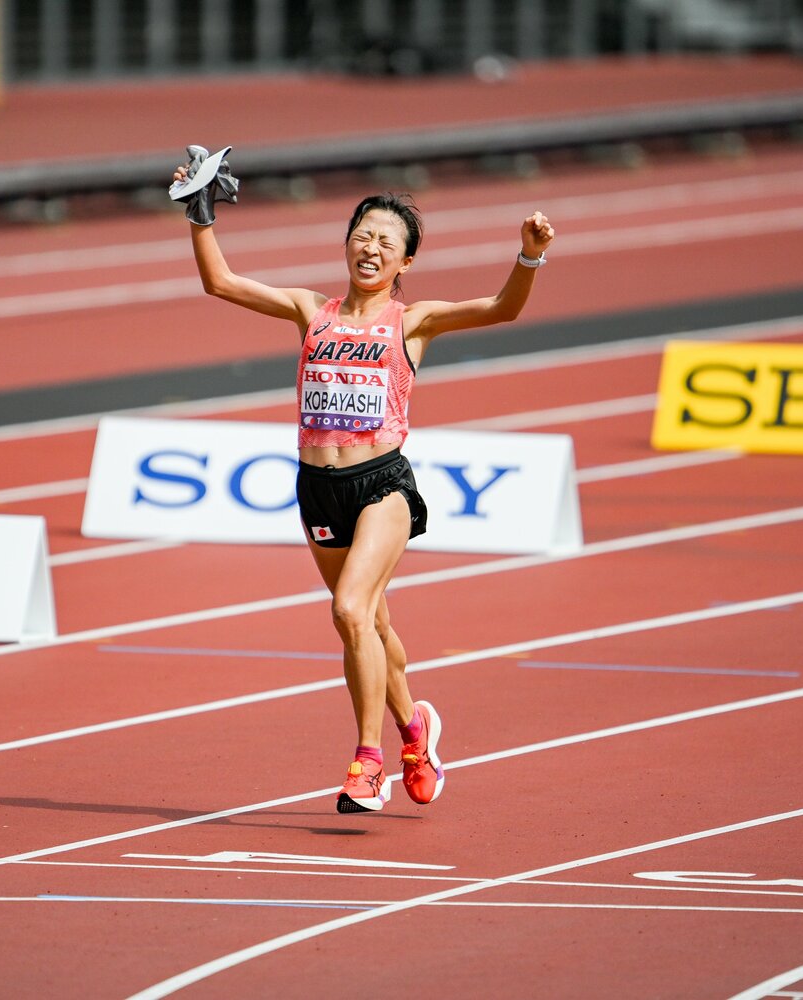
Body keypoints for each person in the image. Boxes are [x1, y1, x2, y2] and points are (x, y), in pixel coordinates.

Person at [172, 147, 555, 813]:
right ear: (346, 246)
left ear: (406, 262)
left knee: (348, 609)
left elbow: (501, 309)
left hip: (383, 487)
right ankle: (417, 731)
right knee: (371, 626)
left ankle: (367, 762)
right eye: (362, 236)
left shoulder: (413, 320)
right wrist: (200, 216)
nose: (370, 247)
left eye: (386, 241)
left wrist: (528, 257)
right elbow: (222, 284)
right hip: (317, 490)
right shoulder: (308, 310)